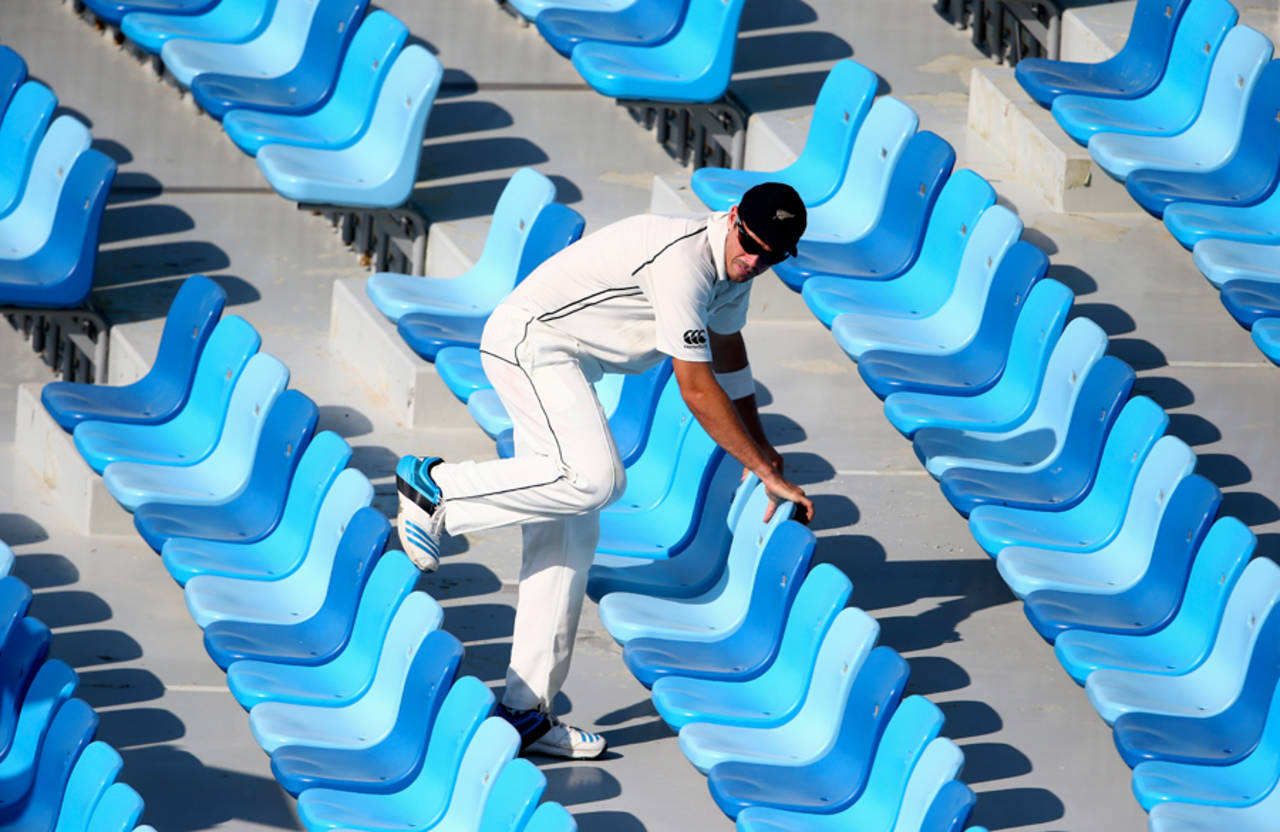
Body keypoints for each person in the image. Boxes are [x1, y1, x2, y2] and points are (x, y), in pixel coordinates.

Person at [395, 181, 816, 759]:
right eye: (751, 245)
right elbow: (695, 389)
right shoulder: (685, 260)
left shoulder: (734, 268)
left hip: (566, 359)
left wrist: (763, 449)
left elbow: (728, 353)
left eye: (771, 257)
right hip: (531, 343)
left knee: (573, 525)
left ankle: (525, 711)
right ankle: (439, 489)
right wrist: (761, 470)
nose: (754, 261)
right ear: (734, 219)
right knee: (597, 479)